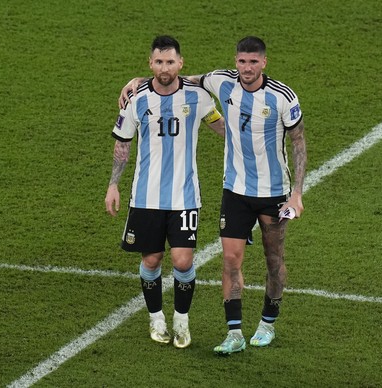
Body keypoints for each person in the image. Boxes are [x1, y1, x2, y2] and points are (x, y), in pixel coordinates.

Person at [119, 36, 307, 355]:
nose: (247, 68)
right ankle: (234, 332)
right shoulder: (220, 81)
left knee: (274, 260)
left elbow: (299, 143)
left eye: (253, 62)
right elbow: (179, 79)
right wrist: (139, 80)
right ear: (236, 61)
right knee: (231, 260)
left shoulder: (282, 96)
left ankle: (267, 323)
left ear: (264, 62)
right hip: (234, 190)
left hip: (274, 193)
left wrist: (297, 194)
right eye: (242, 61)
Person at [105, 35, 225, 349]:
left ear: (180, 63)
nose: (164, 68)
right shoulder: (136, 98)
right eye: (159, 62)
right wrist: (113, 184)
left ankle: (182, 322)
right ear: (150, 63)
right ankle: (156, 317)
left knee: (183, 262)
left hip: (185, 196)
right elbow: (122, 143)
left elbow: (220, 126)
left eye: (170, 61)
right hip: (145, 197)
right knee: (152, 259)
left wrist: (248, 134)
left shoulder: (198, 98)